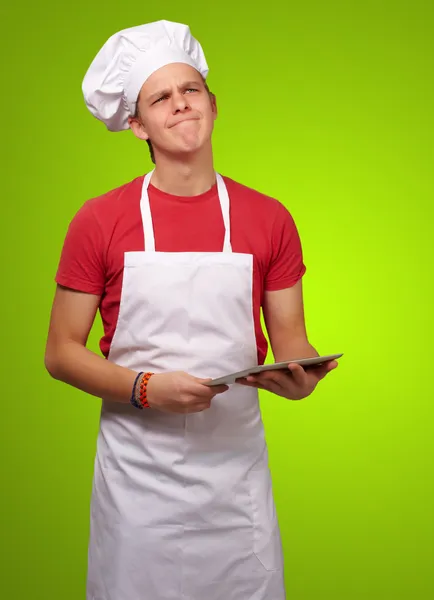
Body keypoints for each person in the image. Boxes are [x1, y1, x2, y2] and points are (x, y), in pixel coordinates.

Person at [44, 19, 339, 600]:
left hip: (236, 485)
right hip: (138, 488)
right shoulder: (99, 220)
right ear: (137, 125)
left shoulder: (268, 218)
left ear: (213, 103)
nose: (180, 104)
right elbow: (59, 354)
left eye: (191, 89)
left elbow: (292, 343)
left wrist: (301, 377)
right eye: (161, 97)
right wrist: (146, 388)